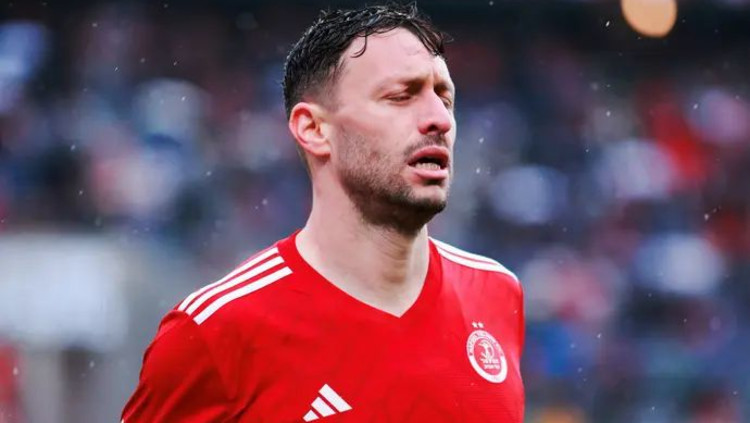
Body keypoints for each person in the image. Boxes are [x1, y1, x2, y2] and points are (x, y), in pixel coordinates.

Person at [121, 4, 525, 422]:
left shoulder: (497, 293)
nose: (439, 119)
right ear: (314, 129)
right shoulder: (215, 331)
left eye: (445, 97)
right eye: (400, 96)